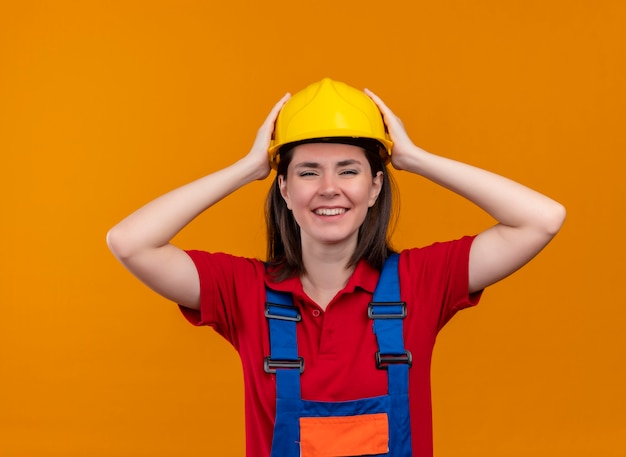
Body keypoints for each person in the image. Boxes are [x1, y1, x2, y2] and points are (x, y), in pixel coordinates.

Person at [107, 78, 566, 457]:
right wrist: (247, 168)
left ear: (375, 188)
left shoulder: (421, 281)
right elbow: (130, 242)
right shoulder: (242, 291)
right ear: (284, 189)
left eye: (349, 171)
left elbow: (542, 219)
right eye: (308, 172)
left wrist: (416, 159)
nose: (330, 188)